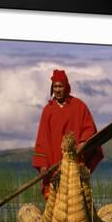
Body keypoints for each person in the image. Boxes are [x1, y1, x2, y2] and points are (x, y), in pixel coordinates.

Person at [32, 69, 104, 198]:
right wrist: (43, 166)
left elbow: (89, 128)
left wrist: (83, 142)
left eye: (60, 86)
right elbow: (42, 140)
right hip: (55, 166)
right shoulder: (48, 111)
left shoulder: (79, 106)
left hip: (74, 165)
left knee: (77, 202)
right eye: (55, 86)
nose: (57, 90)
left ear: (66, 87)